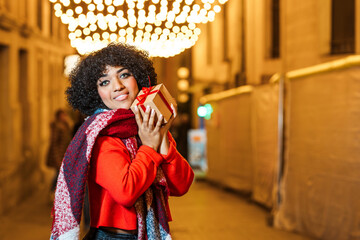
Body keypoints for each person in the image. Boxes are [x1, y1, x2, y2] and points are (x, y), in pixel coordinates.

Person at [50, 43, 194, 240]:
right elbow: (126, 192)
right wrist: (150, 147)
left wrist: (162, 136)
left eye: (124, 74)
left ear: (139, 78)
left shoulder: (149, 126)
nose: (117, 85)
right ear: (95, 93)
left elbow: (182, 185)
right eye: (104, 82)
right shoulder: (102, 137)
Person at [46, 108, 72, 193]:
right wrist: (57, 159)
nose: (64, 117)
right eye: (62, 115)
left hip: (64, 154)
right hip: (58, 155)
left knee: (61, 174)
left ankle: (57, 191)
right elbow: (54, 144)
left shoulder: (66, 125)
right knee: (59, 174)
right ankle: (52, 190)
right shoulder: (56, 127)